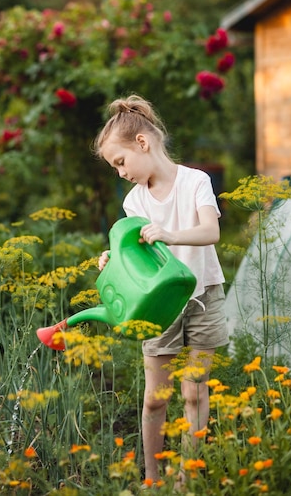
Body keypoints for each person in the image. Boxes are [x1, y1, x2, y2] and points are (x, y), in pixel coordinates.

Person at [93, 94, 228, 486]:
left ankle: (188, 479)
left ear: (142, 143)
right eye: (113, 167)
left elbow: (211, 231)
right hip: (159, 307)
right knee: (156, 397)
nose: (119, 172)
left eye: (120, 162)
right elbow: (133, 255)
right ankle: (152, 478)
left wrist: (170, 235)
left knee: (195, 392)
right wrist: (112, 258)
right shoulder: (135, 201)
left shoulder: (195, 181)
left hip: (204, 297)